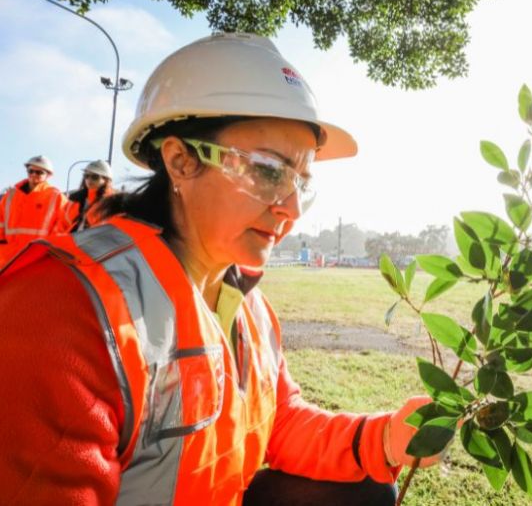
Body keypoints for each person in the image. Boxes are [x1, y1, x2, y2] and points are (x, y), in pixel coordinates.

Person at [0, 34, 440, 506]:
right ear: (180, 161)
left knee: (371, 490)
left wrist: (387, 438)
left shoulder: (247, 303)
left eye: (301, 182)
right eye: (269, 170)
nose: (291, 208)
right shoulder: (71, 306)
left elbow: (281, 420)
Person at [0, 155, 67, 265]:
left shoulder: (56, 197)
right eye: (31, 171)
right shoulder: (10, 195)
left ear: (48, 175)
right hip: (9, 255)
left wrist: (50, 247)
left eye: (39, 172)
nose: (34, 175)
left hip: (39, 256)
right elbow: (0, 219)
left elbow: (63, 225)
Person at [58, 159, 114, 233]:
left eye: (95, 177)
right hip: (72, 241)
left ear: (106, 180)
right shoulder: (75, 200)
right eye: (86, 176)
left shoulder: (112, 202)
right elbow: (61, 226)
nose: (89, 180)